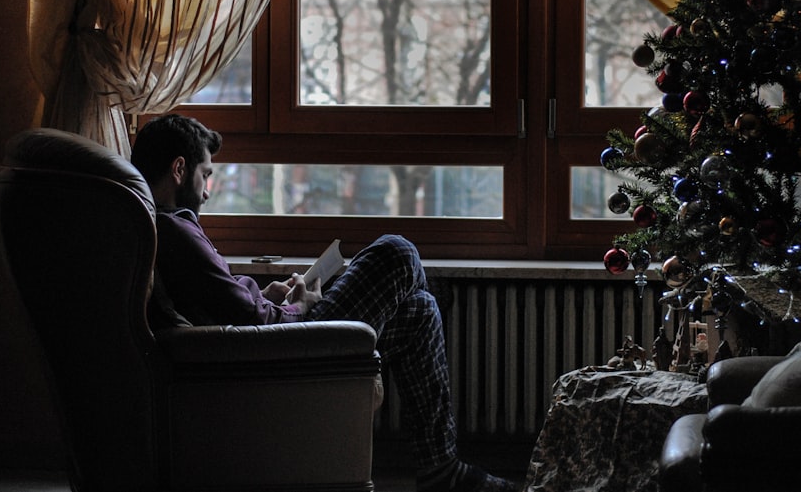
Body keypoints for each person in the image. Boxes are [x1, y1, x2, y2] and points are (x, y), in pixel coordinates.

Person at [131, 114, 517, 492]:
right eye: (206, 175)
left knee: (420, 312)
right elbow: (246, 319)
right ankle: (443, 471)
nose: (208, 191)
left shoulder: (162, 228)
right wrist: (303, 306)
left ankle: (440, 470)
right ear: (179, 169)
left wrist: (267, 294)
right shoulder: (174, 231)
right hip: (277, 354)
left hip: (264, 342)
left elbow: (225, 304)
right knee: (396, 252)